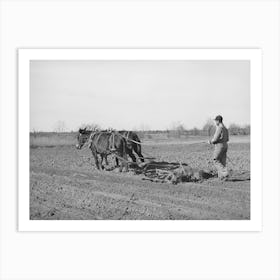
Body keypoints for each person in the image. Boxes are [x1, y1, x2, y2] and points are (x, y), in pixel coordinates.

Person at [208, 115, 229, 179]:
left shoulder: (219, 128)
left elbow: (215, 139)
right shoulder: (225, 128)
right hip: (225, 145)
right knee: (222, 161)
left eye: (215, 121)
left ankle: (224, 173)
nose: (215, 122)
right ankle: (221, 177)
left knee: (216, 160)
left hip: (219, 146)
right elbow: (227, 139)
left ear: (218, 121)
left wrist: (210, 142)